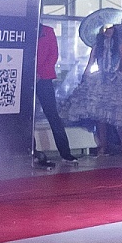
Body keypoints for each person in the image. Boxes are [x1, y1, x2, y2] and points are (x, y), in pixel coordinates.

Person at [62, 21, 122, 157]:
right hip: (100, 81)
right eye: (106, 29)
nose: (109, 31)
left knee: (119, 117)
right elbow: (90, 62)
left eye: (111, 28)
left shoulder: (119, 45)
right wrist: (85, 76)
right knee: (100, 117)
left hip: (116, 81)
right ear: (102, 30)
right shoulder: (97, 46)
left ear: (114, 30)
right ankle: (102, 146)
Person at [34, 24, 77, 164]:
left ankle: (65, 153)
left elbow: (53, 55)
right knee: (28, 116)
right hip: (27, 78)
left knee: (52, 115)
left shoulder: (48, 31)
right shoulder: (25, 30)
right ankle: (32, 151)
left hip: (44, 78)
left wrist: (39, 73)